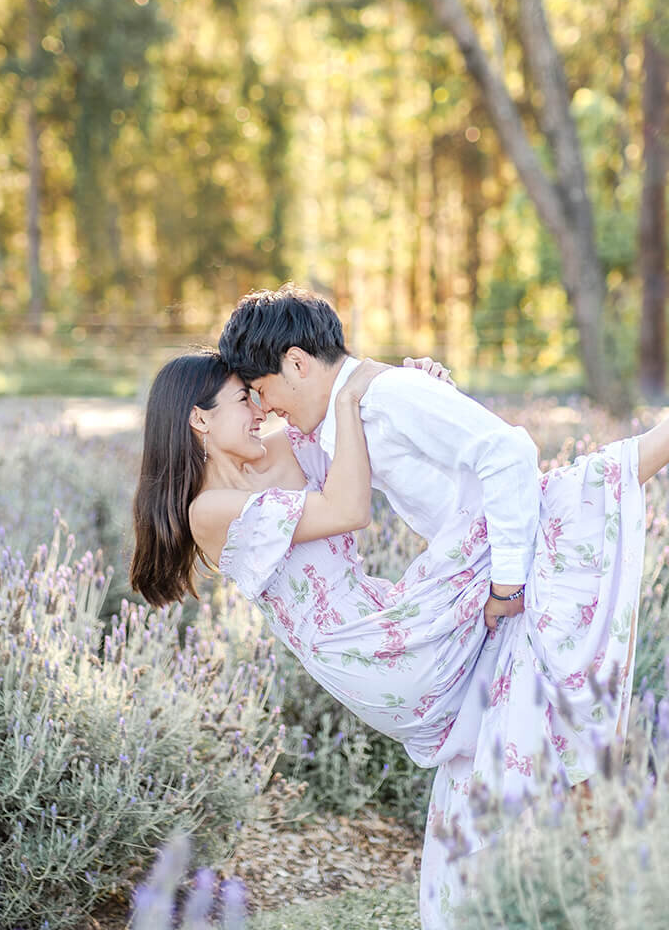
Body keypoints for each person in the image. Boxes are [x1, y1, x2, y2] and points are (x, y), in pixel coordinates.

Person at [214, 284, 668, 927]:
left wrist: (506, 587)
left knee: (570, 736)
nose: (266, 407)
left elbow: (508, 451)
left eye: (262, 389)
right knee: (550, 742)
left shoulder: (387, 396)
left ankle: (622, 892)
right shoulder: (351, 411)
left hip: (510, 574)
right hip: (486, 577)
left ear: (296, 363)